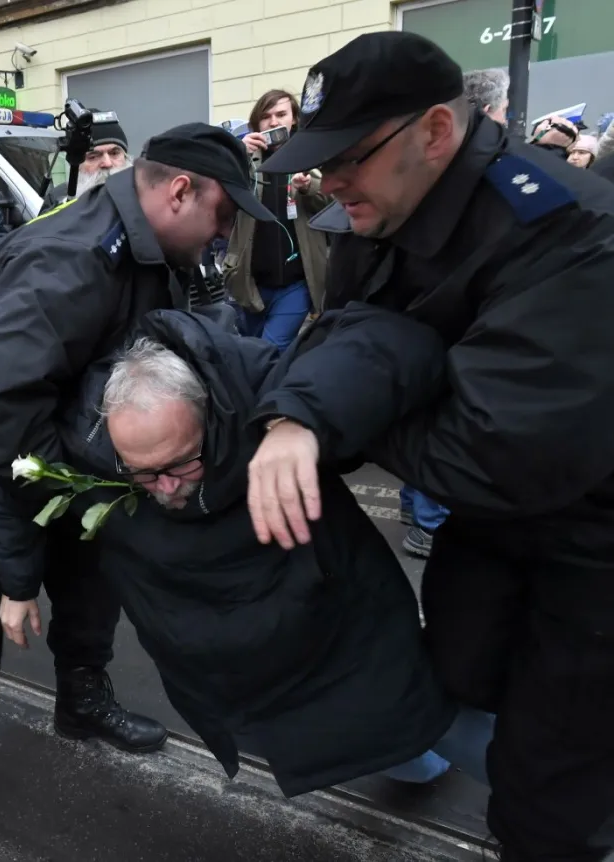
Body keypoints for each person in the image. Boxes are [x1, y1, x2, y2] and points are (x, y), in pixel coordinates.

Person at [250, 32, 614, 862]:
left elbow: (493, 450)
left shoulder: (564, 228)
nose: (328, 181)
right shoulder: (380, 207)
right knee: (452, 682)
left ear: (437, 134)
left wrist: (349, 410)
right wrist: (299, 417)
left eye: (348, 157)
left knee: (551, 792)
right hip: (491, 528)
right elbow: (336, 334)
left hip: (591, 544)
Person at [0, 122, 277, 861]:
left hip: (50, 411)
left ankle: (82, 695)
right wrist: (22, 564)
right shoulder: (73, 257)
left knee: (92, 560)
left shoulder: (149, 243)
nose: (223, 237)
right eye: (223, 218)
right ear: (178, 192)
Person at [42, 307, 494, 797]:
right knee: (392, 752)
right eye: (142, 472)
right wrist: (17, 583)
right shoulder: (85, 448)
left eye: (181, 462)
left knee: (432, 728)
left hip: (337, 633)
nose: (166, 487)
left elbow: (398, 342)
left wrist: (300, 416)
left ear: (211, 417)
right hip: (250, 675)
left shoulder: (258, 390)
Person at [223, 90, 330, 348]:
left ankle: (267, 387)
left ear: (294, 119)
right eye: (266, 116)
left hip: (296, 283)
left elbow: (334, 203)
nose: (273, 122)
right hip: (251, 282)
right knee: (251, 348)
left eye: (281, 114)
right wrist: (238, 154)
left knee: (271, 348)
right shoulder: (244, 159)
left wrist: (308, 188)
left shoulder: (309, 156)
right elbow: (223, 198)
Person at [38, 116, 131, 214]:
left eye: (114, 153)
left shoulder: (144, 198)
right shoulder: (59, 199)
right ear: (76, 166)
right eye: (93, 157)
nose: (107, 163)